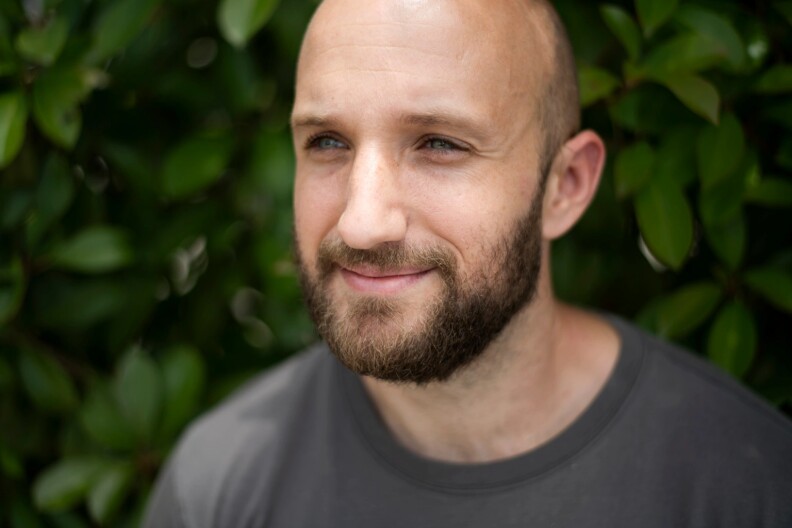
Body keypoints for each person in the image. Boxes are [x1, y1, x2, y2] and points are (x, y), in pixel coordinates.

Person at [144, 0, 792, 526]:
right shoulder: (220, 486)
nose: (362, 222)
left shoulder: (744, 485)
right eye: (328, 142)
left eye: (439, 144)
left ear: (564, 187)